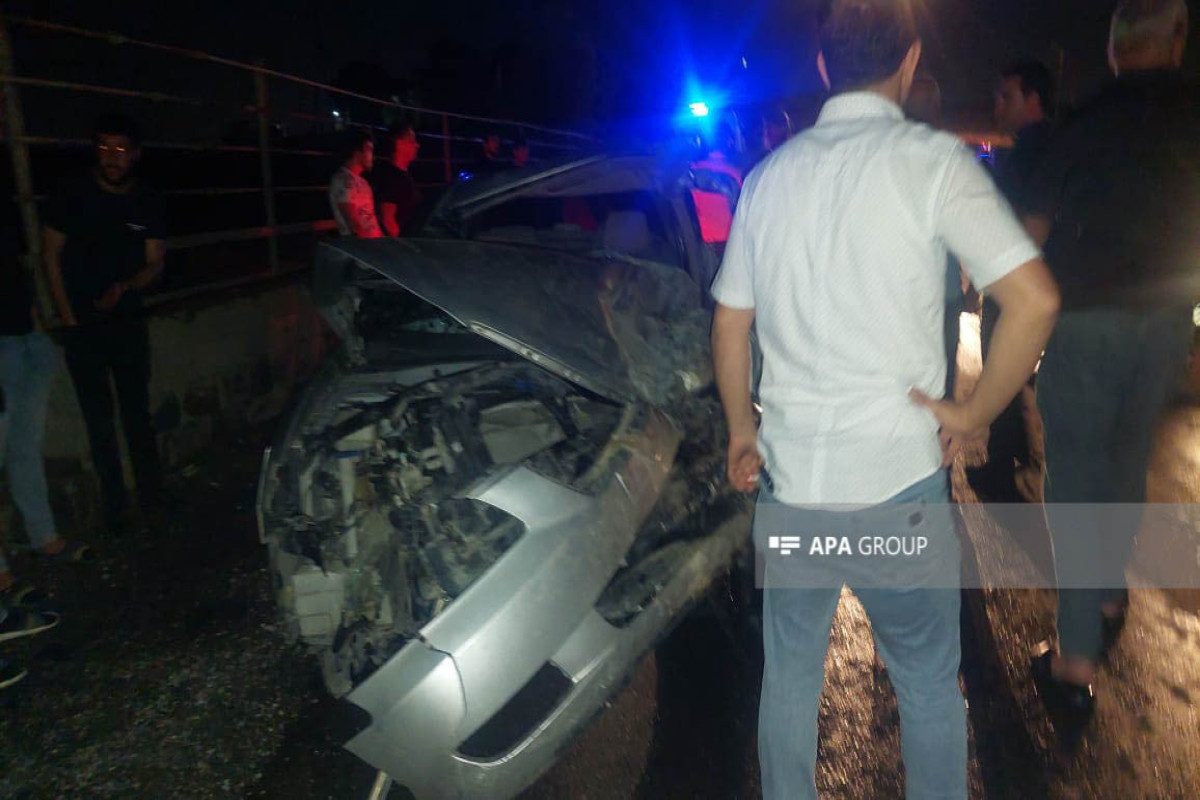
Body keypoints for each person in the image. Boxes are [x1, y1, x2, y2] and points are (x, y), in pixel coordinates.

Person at [709, 2, 1059, 797]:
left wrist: (741, 431)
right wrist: (971, 416)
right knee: (930, 685)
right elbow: (1033, 300)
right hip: (897, 497)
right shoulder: (933, 165)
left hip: (793, 497)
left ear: (825, 68)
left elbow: (731, 325)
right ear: (909, 63)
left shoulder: (766, 179)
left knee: (789, 681)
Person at [1022, 0, 1199, 725]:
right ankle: (1107, 593)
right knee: (1127, 457)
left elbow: (1030, 235)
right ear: (1178, 42)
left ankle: (1074, 659)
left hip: (1087, 317)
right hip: (1164, 321)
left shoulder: (1083, 125)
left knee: (1075, 480)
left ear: (1116, 49)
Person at [43, 113, 166, 534]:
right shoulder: (72, 192)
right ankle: (116, 507)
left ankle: (153, 496)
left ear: (135, 155)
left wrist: (125, 287)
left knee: (137, 414)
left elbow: (155, 263)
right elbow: (50, 256)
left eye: (120, 149)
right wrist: (68, 316)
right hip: (83, 327)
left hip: (128, 323)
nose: (112, 157)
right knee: (99, 421)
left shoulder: (146, 199)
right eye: (104, 147)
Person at [968, 60, 1057, 503]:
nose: (997, 104)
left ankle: (1003, 470)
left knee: (1002, 362)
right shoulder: (1048, 145)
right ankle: (1015, 455)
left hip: (1017, 282)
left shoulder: (1034, 149)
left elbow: (1030, 224)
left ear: (1033, 99)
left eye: (1007, 95)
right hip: (1033, 279)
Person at [1, 199, 89, 595]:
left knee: (25, 448)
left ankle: (44, 537)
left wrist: (36, 325)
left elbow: (16, 263)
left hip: (23, 335)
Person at [329, 129, 382, 238]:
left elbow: (372, 222)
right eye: (369, 150)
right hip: (361, 248)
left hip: (375, 246)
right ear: (358, 153)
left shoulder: (364, 183)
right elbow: (353, 224)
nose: (373, 156)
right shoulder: (342, 180)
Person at [370, 125, 422, 237]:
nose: (417, 145)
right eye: (411, 141)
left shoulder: (402, 175)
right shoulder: (392, 177)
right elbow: (388, 218)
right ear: (398, 143)